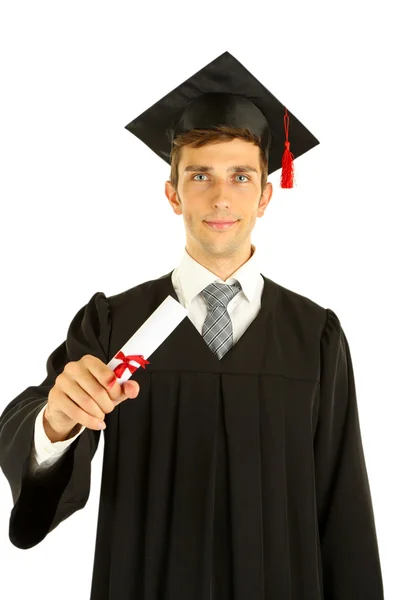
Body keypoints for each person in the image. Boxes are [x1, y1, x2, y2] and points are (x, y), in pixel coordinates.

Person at [0, 51, 384, 600]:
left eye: (241, 176)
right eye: (200, 175)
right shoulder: (113, 324)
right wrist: (57, 424)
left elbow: (342, 505)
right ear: (173, 192)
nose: (221, 196)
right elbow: (39, 435)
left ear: (265, 194)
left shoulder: (315, 335)